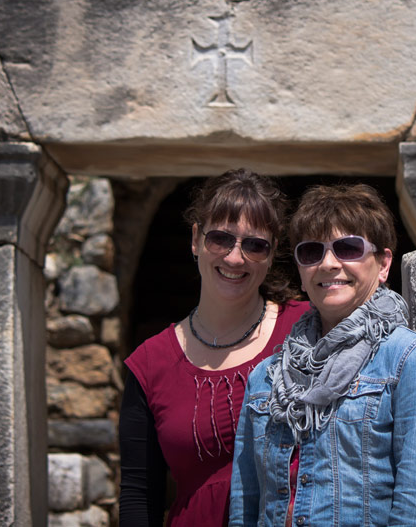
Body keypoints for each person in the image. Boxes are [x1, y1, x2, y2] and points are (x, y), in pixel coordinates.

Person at [229, 184, 416, 526]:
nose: (329, 263)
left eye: (348, 248)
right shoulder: (265, 377)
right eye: (311, 252)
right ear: (302, 274)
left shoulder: (409, 361)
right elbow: (245, 507)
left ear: (383, 264)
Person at [119, 169, 308, 526]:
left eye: (255, 245)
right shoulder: (149, 363)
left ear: (272, 254)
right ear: (196, 239)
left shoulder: (306, 330)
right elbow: (139, 495)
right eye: (220, 239)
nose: (235, 258)